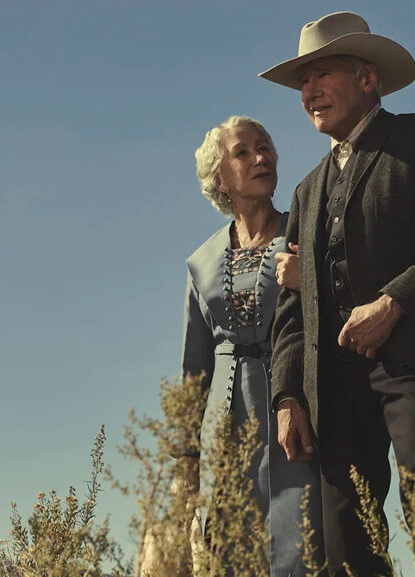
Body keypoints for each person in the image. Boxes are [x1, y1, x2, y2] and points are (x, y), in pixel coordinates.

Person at [263, 12, 415, 577]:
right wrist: (288, 396)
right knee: (346, 542)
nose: (310, 92)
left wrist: (393, 303)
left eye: (322, 75)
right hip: (332, 388)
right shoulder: (305, 190)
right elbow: (290, 311)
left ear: (368, 79)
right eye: (302, 83)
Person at [167, 115, 323, 576]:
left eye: (266, 147)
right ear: (221, 177)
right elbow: (192, 370)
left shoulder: (305, 234)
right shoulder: (201, 263)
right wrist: (186, 457)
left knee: (305, 542)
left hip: (299, 410)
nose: (261, 158)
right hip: (226, 430)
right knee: (231, 552)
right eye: (244, 152)